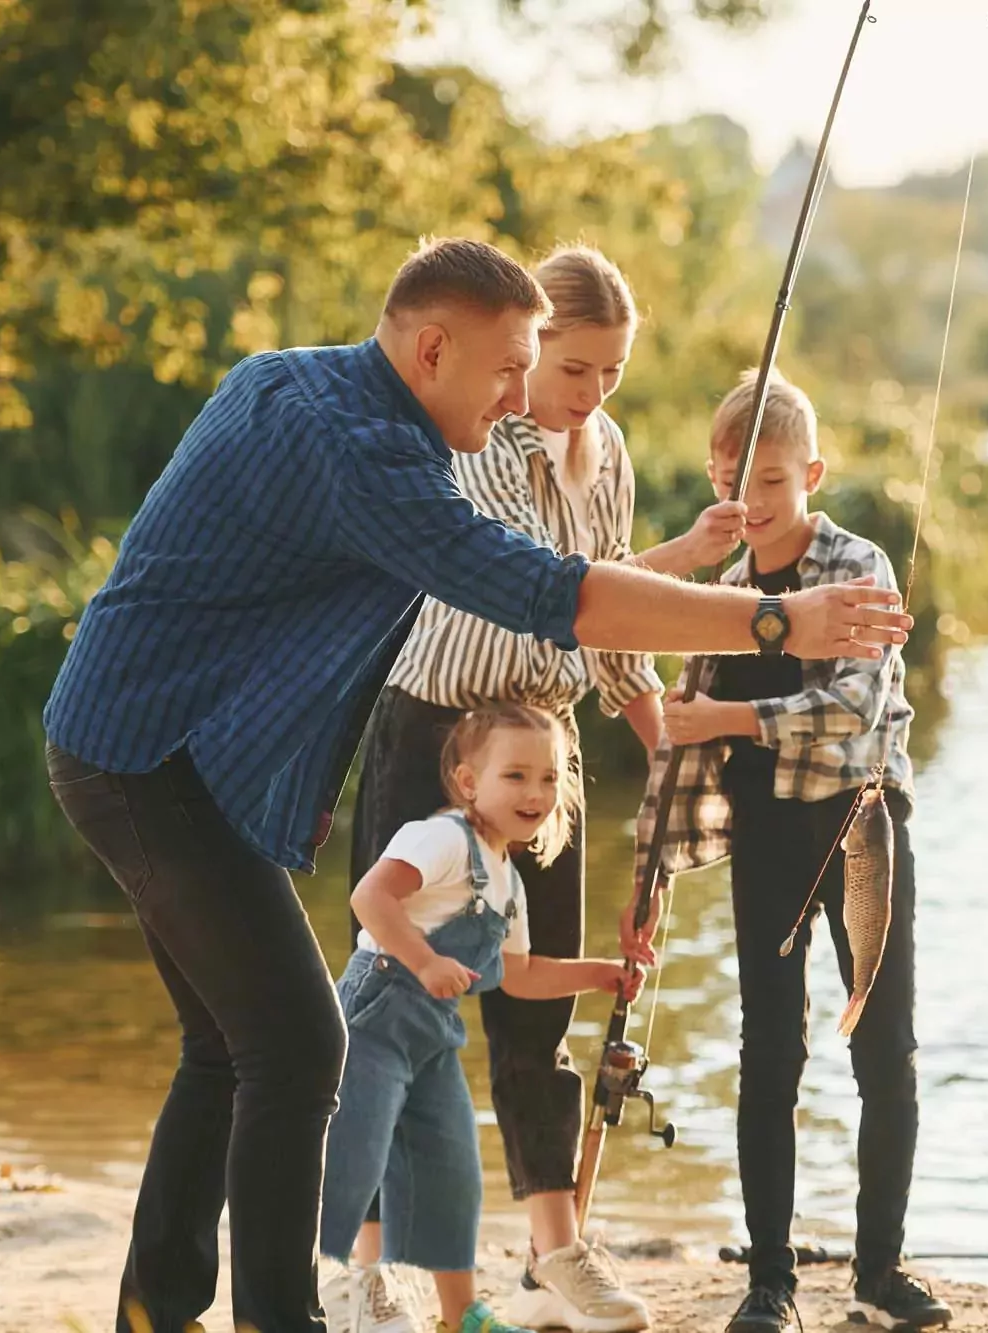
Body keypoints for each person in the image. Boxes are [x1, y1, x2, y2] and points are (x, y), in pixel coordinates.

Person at [41, 238, 912, 1333]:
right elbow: (552, 594)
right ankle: (274, 1317)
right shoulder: (363, 454)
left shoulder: (293, 377)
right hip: (146, 758)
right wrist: (775, 619)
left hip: (170, 748)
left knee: (229, 1044)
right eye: (511, 368)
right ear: (431, 347)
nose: (521, 396)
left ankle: (154, 1313)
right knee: (300, 1043)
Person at [344, 245, 738, 1333]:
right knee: (392, 1012)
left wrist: (659, 737)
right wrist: (674, 570)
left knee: (537, 1011)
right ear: (531, 348)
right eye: (574, 369)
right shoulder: (479, 438)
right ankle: (367, 1272)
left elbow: (607, 620)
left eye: (611, 375)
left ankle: (557, 1253)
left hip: (543, 741)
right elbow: (536, 587)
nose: (588, 395)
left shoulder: (602, 447)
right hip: (434, 733)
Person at [626, 370, 952, 1332]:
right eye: (731, 479)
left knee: (884, 1049)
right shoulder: (722, 591)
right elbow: (655, 703)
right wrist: (649, 866)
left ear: (811, 471)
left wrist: (722, 715)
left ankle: (879, 1271)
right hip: (764, 831)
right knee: (769, 1050)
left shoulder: (861, 567)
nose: (752, 500)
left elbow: (850, 710)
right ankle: (770, 1280)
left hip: (860, 827)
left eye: (770, 479)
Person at [322, 703, 649, 1333]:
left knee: (452, 1171)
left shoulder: (506, 880)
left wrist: (599, 972)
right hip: (373, 1018)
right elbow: (370, 896)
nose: (537, 792)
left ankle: (460, 1314)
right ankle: (355, 1290)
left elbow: (519, 975)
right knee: (363, 1156)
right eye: (516, 776)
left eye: (550, 778)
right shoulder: (441, 838)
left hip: (431, 1035)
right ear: (470, 782)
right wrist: (421, 961)